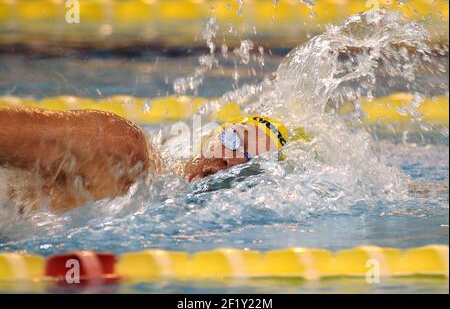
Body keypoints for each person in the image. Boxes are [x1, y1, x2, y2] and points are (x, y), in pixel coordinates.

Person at [0, 107, 290, 213]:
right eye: (234, 140)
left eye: (251, 163)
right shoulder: (122, 149)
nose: (231, 161)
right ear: (211, 135)